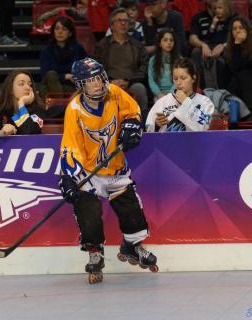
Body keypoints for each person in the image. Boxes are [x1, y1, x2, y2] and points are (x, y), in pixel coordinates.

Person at [58, 57, 158, 284]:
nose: (97, 84)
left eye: (98, 78)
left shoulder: (114, 92)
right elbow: (70, 145)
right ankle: (95, 252)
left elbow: (132, 111)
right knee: (88, 212)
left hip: (115, 167)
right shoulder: (74, 110)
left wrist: (133, 125)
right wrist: (68, 177)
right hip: (88, 172)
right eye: (90, 80)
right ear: (81, 85)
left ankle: (131, 246)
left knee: (132, 211)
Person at [93, 7, 149, 120]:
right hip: (108, 83)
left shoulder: (137, 45)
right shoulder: (101, 45)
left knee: (140, 89)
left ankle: (142, 124)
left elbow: (144, 67)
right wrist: (110, 81)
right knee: (96, 90)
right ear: (112, 25)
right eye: (119, 20)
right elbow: (96, 67)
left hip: (131, 83)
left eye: (126, 21)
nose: (123, 23)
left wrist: (128, 81)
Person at [146, 57, 214, 132]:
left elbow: (204, 129)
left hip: (194, 143)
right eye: (175, 79)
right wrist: (156, 125)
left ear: (193, 78)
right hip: (167, 143)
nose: (178, 83)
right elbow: (148, 129)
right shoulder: (162, 102)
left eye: (183, 78)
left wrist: (186, 102)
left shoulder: (205, 102)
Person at [0, 70, 43, 137]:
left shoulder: (36, 109)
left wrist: (21, 104)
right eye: (21, 84)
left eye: (30, 84)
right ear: (10, 89)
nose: (28, 87)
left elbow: (30, 133)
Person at [189, 0, 236, 88]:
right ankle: (198, 89)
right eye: (216, 8)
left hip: (226, 46)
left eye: (220, 8)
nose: (217, 10)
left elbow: (238, 36)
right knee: (196, 52)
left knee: (230, 53)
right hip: (207, 46)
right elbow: (192, 38)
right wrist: (203, 45)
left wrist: (224, 46)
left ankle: (226, 90)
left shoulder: (232, 18)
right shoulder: (199, 17)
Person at [39, 16, 87, 101]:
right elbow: (44, 73)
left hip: (71, 86)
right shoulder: (46, 50)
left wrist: (71, 76)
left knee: (45, 90)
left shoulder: (78, 49)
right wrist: (66, 76)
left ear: (70, 33)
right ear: (53, 31)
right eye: (57, 29)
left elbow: (84, 69)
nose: (60, 32)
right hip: (52, 82)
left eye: (64, 29)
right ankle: (61, 108)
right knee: (50, 75)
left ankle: (56, 107)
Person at [147, 28, 179, 101]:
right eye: (165, 40)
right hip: (159, 94)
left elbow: (179, 80)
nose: (169, 42)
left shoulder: (179, 59)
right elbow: (151, 80)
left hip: (176, 92)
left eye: (171, 40)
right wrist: (159, 94)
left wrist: (171, 93)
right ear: (159, 43)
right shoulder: (153, 60)